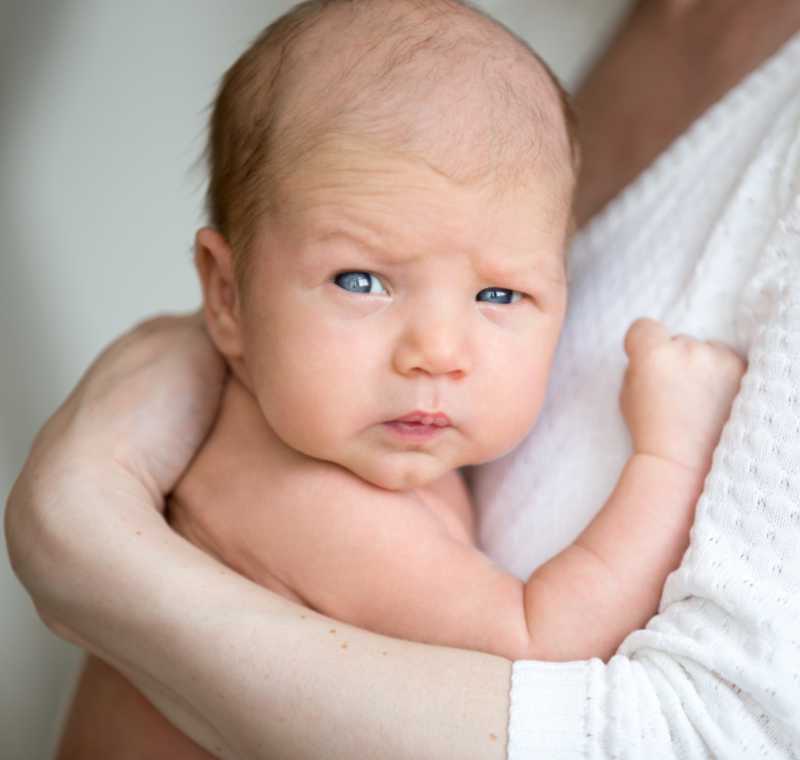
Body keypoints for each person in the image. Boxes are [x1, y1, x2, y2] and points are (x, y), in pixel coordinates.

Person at [6, 1, 800, 758]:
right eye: (361, 281)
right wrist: (670, 456)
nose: (437, 350)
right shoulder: (316, 501)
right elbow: (544, 641)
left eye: (499, 295)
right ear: (226, 294)